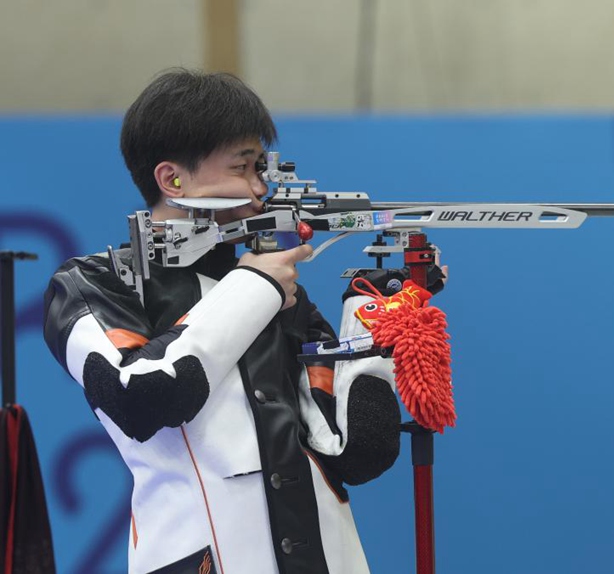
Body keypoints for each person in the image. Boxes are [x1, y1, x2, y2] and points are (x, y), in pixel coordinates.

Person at [42, 68, 432, 574]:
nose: (259, 190)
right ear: (172, 179)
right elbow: (139, 397)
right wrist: (255, 288)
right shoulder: (93, 282)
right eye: (243, 168)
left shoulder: (281, 293)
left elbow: (359, 453)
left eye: (261, 170)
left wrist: (374, 315)